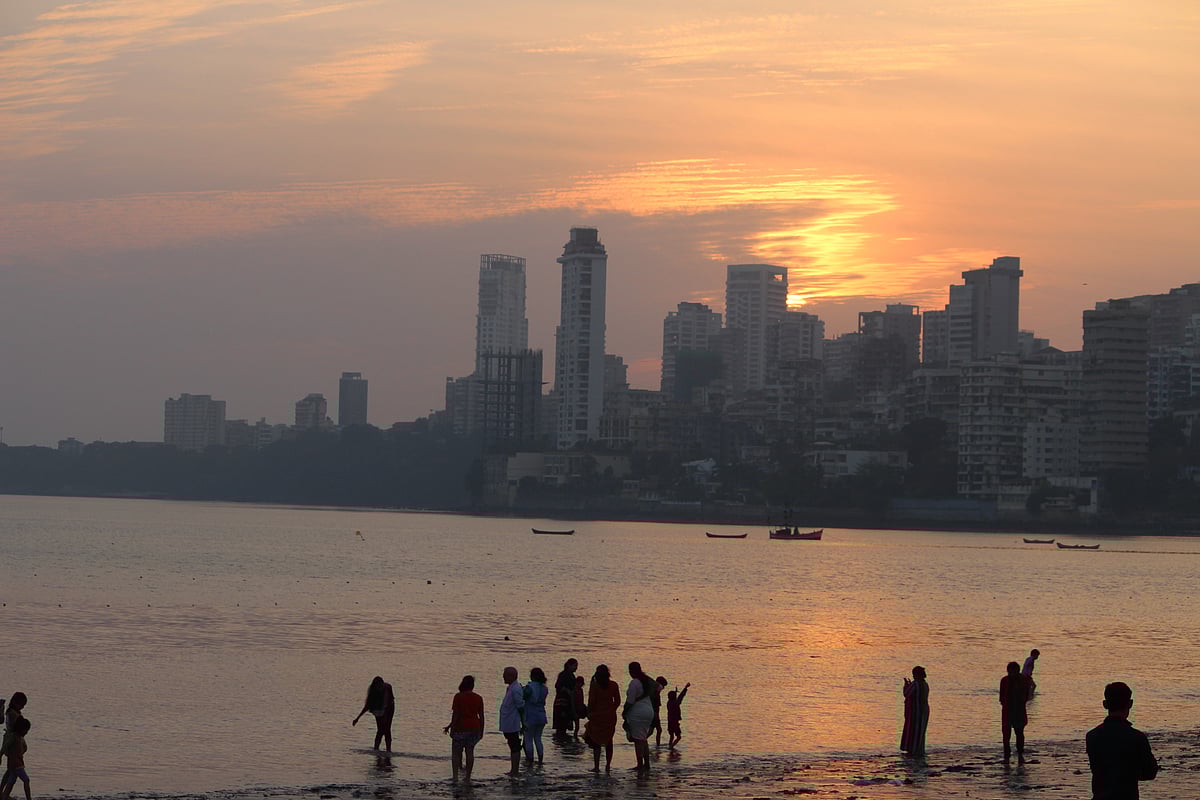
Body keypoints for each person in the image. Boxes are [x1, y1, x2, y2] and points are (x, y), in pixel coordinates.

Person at [1086, 681, 1157, 800]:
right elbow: (1150, 773)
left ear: (1105, 704)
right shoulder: (1137, 737)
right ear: (1130, 704)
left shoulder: (1092, 736)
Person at [444, 675, 484, 783]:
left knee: (456, 753)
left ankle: (455, 776)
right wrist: (482, 731)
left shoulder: (458, 697)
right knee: (470, 752)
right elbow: (481, 716)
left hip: (460, 728)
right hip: (474, 728)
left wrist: (451, 729)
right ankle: (468, 777)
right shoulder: (478, 698)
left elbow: (456, 714)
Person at [582, 664, 621, 772]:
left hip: (597, 716)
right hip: (610, 717)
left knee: (596, 741)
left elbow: (591, 702)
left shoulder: (595, 686)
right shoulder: (614, 685)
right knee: (609, 740)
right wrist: (611, 710)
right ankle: (608, 765)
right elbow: (617, 701)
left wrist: (589, 713)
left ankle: (597, 766)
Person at [623, 662, 657, 772]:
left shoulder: (635, 683)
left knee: (638, 740)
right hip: (649, 711)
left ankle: (640, 765)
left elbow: (630, 701)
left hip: (638, 713)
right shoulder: (646, 680)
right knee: (643, 739)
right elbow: (659, 687)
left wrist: (624, 712)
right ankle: (646, 764)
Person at [351, 676, 395, 753]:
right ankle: (376, 749)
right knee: (380, 730)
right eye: (378, 687)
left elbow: (386, 703)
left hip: (389, 707)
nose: (379, 688)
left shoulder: (387, 688)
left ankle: (389, 750)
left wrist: (384, 715)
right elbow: (367, 706)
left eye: (380, 686)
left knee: (387, 729)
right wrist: (357, 718)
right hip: (378, 707)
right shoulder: (372, 691)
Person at [1000, 661, 1029, 762]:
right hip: (1008, 711)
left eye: (1013, 671)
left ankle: (1020, 753)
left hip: (1018, 711)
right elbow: (1002, 698)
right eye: (1010, 672)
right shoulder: (1004, 680)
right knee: (1006, 734)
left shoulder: (1023, 681)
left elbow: (1025, 696)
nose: (1011, 674)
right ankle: (1006, 755)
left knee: (1019, 732)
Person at [499, 666, 525, 778]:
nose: (503, 676)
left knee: (514, 746)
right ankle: (513, 770)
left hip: (512, 723)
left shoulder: (515, 689)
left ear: (511, 676)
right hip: (508, 722)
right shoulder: (511, 688)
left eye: (505, 674)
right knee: (512, 745)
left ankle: (515, 771)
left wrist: (523, 723)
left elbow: (520, 706)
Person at [900, 666, 929, 758]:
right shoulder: (925, 684)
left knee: (913, 730)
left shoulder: (916, 684)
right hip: (924, 710)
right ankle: (918, 750)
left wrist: (906, 685)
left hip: (915, 711)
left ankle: (912, 750)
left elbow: (906, 693)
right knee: (920, 731)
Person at [523, 667, 549, 767]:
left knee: (528, 738)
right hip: (542, 714)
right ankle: (540, 760)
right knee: (538, 738)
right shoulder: (544, 688)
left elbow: (524, 697)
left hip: (531, 715)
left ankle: (530, 760)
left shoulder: (530, 687)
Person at [0, 717, 30, 800]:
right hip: (17, 765)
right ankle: (29, 798)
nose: (26, 732)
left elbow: (24, 748)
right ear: (21, 729)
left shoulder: (20, 738)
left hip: (15, 764)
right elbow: (5, 746)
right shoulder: (14, 737)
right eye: (26, 730)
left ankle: (4, 797)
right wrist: (2, 755)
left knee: (11, 782)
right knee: (26, 780)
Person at [552, 658, 579, 735]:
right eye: (575, 666)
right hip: (561, 703)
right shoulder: (563, 674)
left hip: (568, 702)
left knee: (565, 724)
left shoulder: (572, 676)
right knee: (561, 726)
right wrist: (567, 691)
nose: (576, 668)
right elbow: (558, 686)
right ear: (569, 665)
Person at [1, 695, 27, 769]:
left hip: (15, 739)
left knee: (12, 767)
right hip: (12, 740)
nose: (22, 707)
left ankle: (8, 780)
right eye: (21, 705)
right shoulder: (12, 713)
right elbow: (14, 726)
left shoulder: (14, 712)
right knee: (13, 766)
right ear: (15, 703)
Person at [666, 682, 690, 749]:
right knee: (679, 737)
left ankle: (670, 746)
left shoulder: (669, 702)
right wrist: (685, 688)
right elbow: (680, 697)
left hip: (670, 722)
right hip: (675, 722)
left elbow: (677, 698)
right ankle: (671, 747)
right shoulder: (675, 703)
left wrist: (675, 692)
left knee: (671, 736)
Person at [650, 676, 668, 746]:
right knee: (656, 730)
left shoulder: (655, 693)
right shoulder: (655, 694)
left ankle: (657, 745)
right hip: (655, 714)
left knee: (656, 730)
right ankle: (642, 741)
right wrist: (656, 715)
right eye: (663, 686)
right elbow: (655, 706)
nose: (663, 688)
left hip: (654, 713)